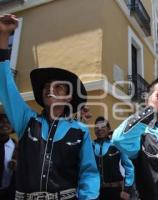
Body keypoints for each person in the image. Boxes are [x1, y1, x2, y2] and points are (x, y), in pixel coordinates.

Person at [0, 14, 99, 199]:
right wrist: (3, 36)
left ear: (69, 97)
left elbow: (89, 174)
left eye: (58, 87)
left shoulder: (80, 131)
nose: (49, 90)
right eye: (46, 87)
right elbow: (4, 82)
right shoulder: (26, 121)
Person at [93, 116, 134, 200]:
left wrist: (127, 190)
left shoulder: (116, 145)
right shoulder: (90, 146)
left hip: (115, 191)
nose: (99, 129)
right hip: (94, 192)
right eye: (97, 128)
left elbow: (129, 167)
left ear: (108, 129)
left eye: (103, 127)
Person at [0, 113, 17, 200]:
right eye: (1, 121)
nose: (5, 124)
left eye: (8, 122)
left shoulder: (18, 148)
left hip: (10, 193)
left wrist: (18, 167)